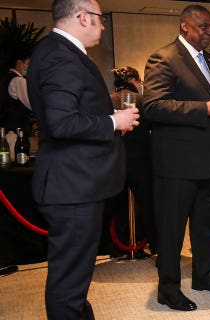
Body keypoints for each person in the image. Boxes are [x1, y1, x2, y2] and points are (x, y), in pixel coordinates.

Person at [26, 0, 140, 318]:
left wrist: (109, 117)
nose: (103, 27)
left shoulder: (57, 52)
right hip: (72, 186)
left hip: (76, 183)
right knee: (69, 283)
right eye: (101, 20)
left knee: (73, 278)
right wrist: (113, 123)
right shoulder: (61, 57)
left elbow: (71, 115)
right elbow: (61, 123)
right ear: (82, 17)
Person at [143, 4, 210, 312]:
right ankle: (168, 290)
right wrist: (206, 109)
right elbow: (153, 107)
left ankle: (204, 276)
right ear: (185, 26)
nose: (209, 32)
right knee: (172, 230)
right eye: (203, 27)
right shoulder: (164, 58)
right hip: (177, 163)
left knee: (208, 226)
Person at [109, 66, 158, 256]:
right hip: (141, 161)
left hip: (115, 161)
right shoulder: (142, 100)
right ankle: (156, 247)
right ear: (134, 81)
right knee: (148, 207)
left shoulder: (107, 99)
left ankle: (118, 247)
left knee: (118, 206)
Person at [2, 51, 33, 137]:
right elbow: (32, 102)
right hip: (16, 132)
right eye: (28, 63)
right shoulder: (19, 80)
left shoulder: (6, 78)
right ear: (19, 62)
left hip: (7, 129)